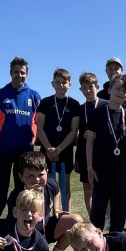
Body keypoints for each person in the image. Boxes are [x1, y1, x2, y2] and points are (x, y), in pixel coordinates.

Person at [0, 57, 41, 225]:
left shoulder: (34, 96)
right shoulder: (0, 95)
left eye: (22, 72)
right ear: (11, 73)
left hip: (25, 151)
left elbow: (40, 123)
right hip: (3, 149)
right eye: (16, 72)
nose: (19, 75)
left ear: (27, 74)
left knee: (22, 189)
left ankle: (16, 221)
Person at [6, 152, 82, 251]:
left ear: (47, 172)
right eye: (30, 175)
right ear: (21, 177)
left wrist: (56, 209)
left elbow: (57, 190)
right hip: (27, 237)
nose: (36, 179)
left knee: (75, 221)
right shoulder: (16, 196)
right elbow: (13, 226)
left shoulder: (50, 184)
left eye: (40, 175)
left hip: (45, 229)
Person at [87, 74, 126, 233]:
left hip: (122, 170)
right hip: (101, 169)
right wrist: (90, 167)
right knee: (98, 208)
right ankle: (96, 241)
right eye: (118, 88)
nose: (121, 92)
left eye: (125, 91)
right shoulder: (98, 113)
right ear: (110, 90)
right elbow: (89, 141)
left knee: (119, 208)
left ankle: (116, 242)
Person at [36, 68, 80, 211]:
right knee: (46, 183)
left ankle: (66, 213)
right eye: (58, 82)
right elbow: (39, 127)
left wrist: (59, 149)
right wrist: (50, 149)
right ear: (52, 84)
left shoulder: (74, 104)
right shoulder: (45, 102)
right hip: (47, 150)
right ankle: (46, 214)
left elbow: (74, 131)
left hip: (65, 150)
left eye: (64, 82)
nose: (61, 85)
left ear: (69, 85)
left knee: (64, 184)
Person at [74, 72, 108, 215]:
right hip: (84, 153)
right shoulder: (80, 109)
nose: (88, 90)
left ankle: (106, 218)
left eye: (91, 87)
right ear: (80, 89)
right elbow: (75, 131)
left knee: (104, 188)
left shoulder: (106, 105)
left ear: (97, 87)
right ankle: (92, 217)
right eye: (84, 87)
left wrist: (97, 134)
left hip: (102, 153)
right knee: (87, 189)